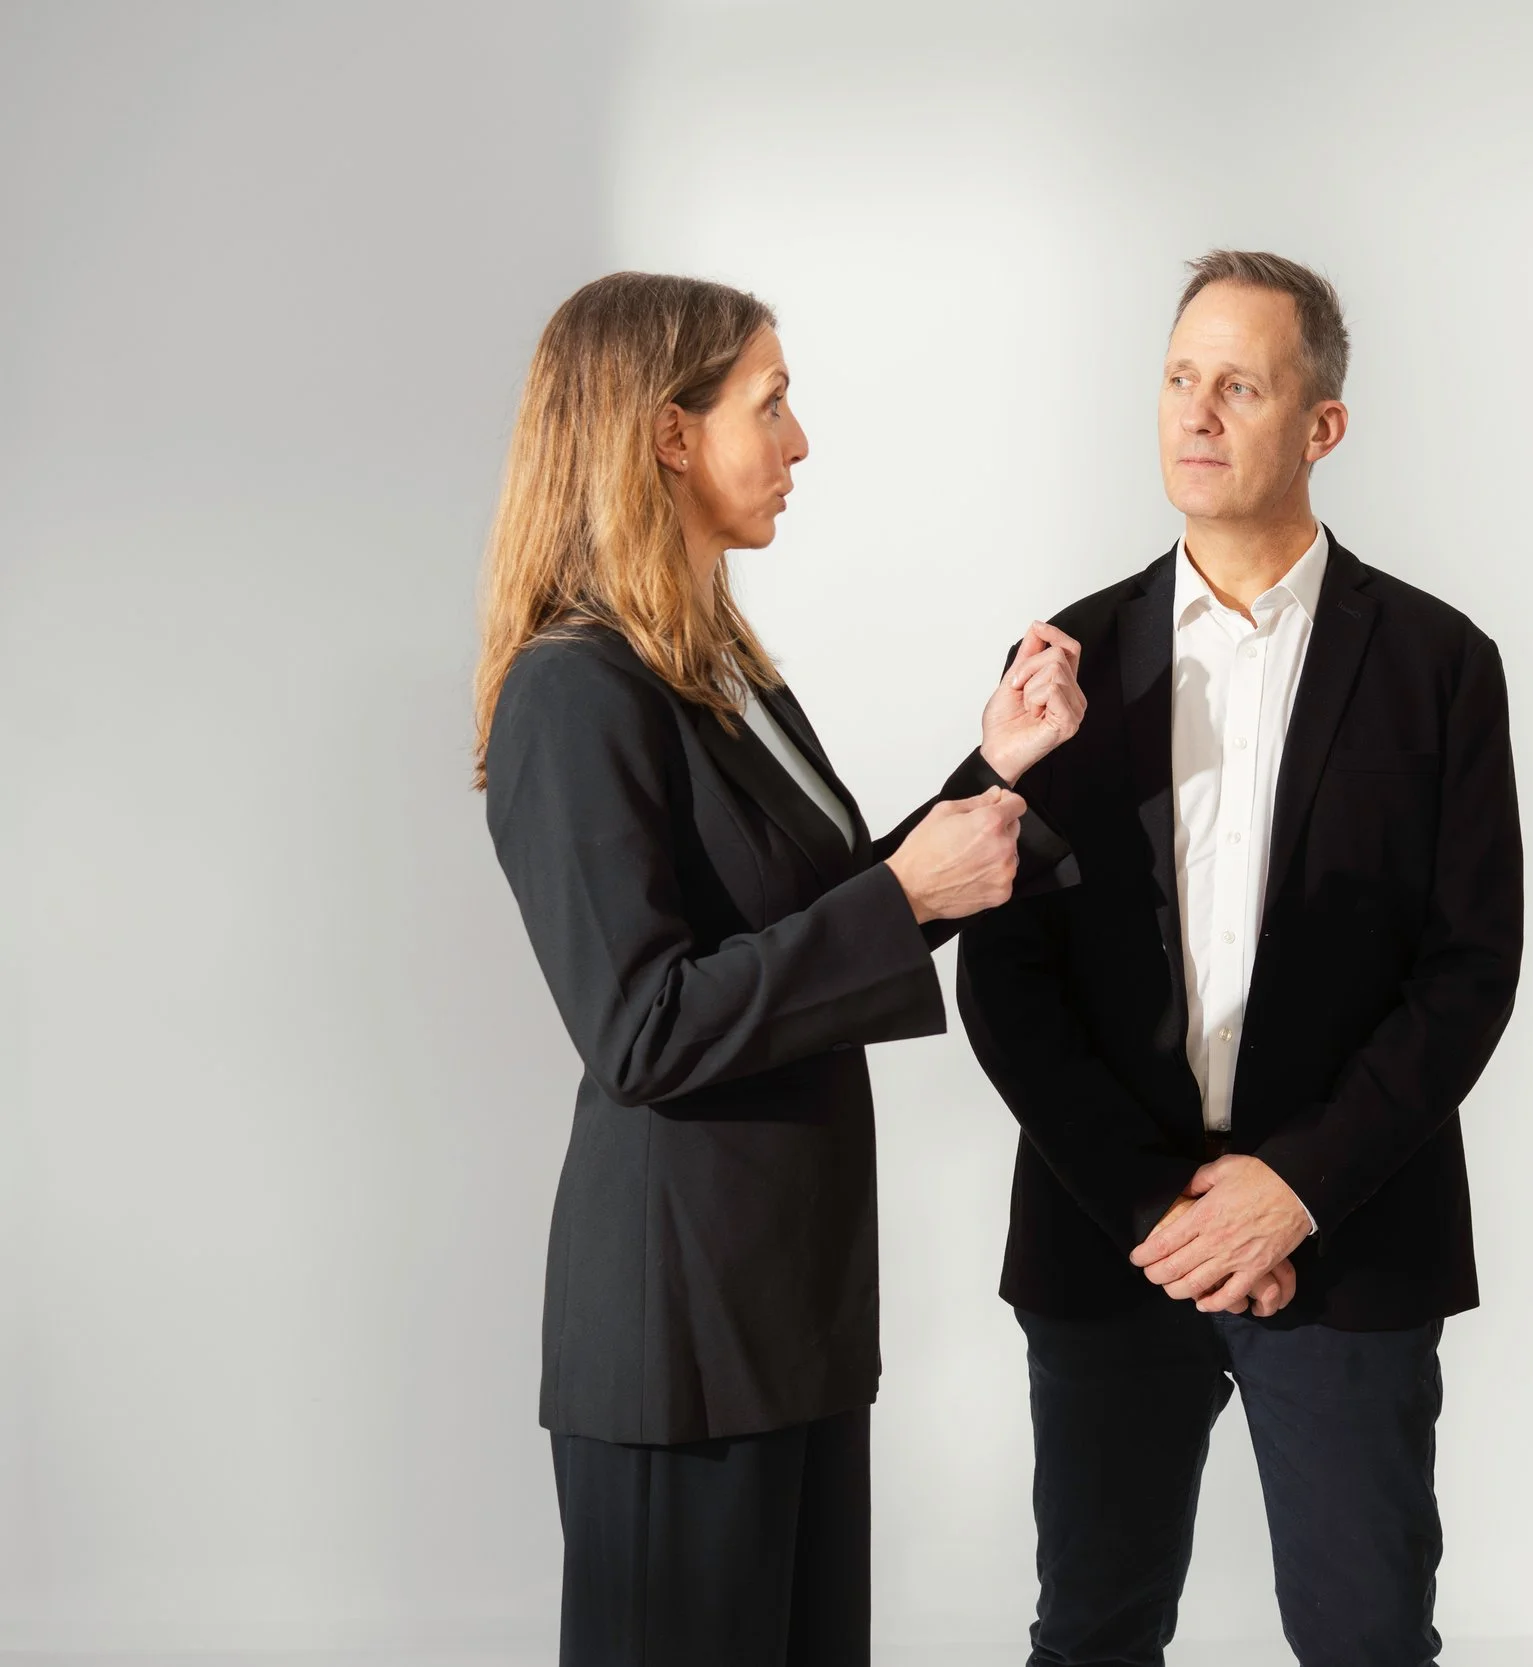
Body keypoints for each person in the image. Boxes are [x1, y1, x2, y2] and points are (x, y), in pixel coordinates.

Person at [473, 271, 1086, 1667]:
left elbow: (814, 921)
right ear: (668, 435)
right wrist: (902, 894)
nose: (800, 439)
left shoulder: (713, 670)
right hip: (680, 1346)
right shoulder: (576, 691)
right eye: (771, 399)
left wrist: (990, 769)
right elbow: (641, 1027)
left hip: (787, 1322)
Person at [956, 250, 1524, 1667]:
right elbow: (1005, 979)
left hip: (1347, 1236)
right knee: (1091, 1631)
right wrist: (1167, 1211)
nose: (1197, 413)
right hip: (1111, 1235)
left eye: (1240, 385)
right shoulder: (1064, 658)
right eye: (1177, 379)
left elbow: (1469, 971)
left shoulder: (1441, 662)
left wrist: (1292, 1191)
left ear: (1320, 426)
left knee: (1367, 1637)